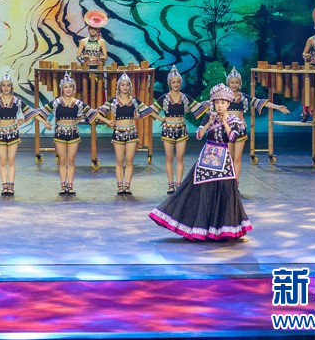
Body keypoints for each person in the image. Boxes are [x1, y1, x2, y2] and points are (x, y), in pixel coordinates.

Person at [149, 83, 252, 241]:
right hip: (206, 158)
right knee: (200, 192)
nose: (219, 105)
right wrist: (210, 122)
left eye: (223, 103)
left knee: (224, 192)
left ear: (228, 104)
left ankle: (220, 230)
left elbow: (232, 138)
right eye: (217, 102)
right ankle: (198, 228)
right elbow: (198, 136)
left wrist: (224, 121)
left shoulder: (235, 120)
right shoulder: (209, 116)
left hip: (223, 160)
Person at [36, 72, 112, 196]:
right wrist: (45, 122)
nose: (68, 89)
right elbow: (37, 113)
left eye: (70, 87)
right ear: (62, 88)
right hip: (60, 133)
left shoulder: (78, 103)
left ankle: (70, 186)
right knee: (62, 161)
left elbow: (93, 113)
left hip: (73, 133)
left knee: (71, 160)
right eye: (65, 87)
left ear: (74, 88)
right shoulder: (56, 102)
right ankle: (63, 186)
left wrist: (107, 121)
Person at [0, 72, 50, 196]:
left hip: (13, 132)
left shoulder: (17, 101)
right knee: (3, 161)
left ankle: (11, 186)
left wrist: (44, 122)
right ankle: (4, 186)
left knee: (11, 160)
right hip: (0, 133)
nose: (6, 88)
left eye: (8, 85)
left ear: (11, 87)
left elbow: (31, 113)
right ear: (0, 87)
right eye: (4, 85)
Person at [150, 65, 209, 194]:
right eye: (173, 82)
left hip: (181, 130)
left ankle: (179, 184)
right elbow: (151, 111)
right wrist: (161, 119)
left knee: (180, 158)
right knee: (169, 158)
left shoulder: (185, 98)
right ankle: (170, 185)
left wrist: (212, 104)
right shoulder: (164, 98)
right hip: (168, 130)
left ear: (180, 83)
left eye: (178, 82)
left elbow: (198, 107)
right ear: (169, 83)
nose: (176, 84)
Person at [224, 67, 290, 178]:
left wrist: (278, 107)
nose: (234, 85)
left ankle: (236, 183)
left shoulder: (243, 98)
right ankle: (228, 182)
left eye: (236, 82)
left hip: (240, 130)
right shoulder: (223, 98)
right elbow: (211, 105)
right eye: (232, 82)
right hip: (227, 130)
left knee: (237, 159)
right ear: (228, 83)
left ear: (240, 84)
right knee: (229, 158)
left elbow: (260, 102)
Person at [97, 72, 156, 195]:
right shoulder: (113, 101)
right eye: (122, 85)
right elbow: (98, 113)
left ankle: (127, 186)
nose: (125, 87)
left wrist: (162, 119)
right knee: (119, 161)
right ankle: (120, 187)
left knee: (129, 161)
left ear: (130, 87)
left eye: (127, 85)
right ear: (119, 86)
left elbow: (148, 111)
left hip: (131, 133)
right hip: (118, 133)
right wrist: (108, 121)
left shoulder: (134, 101)